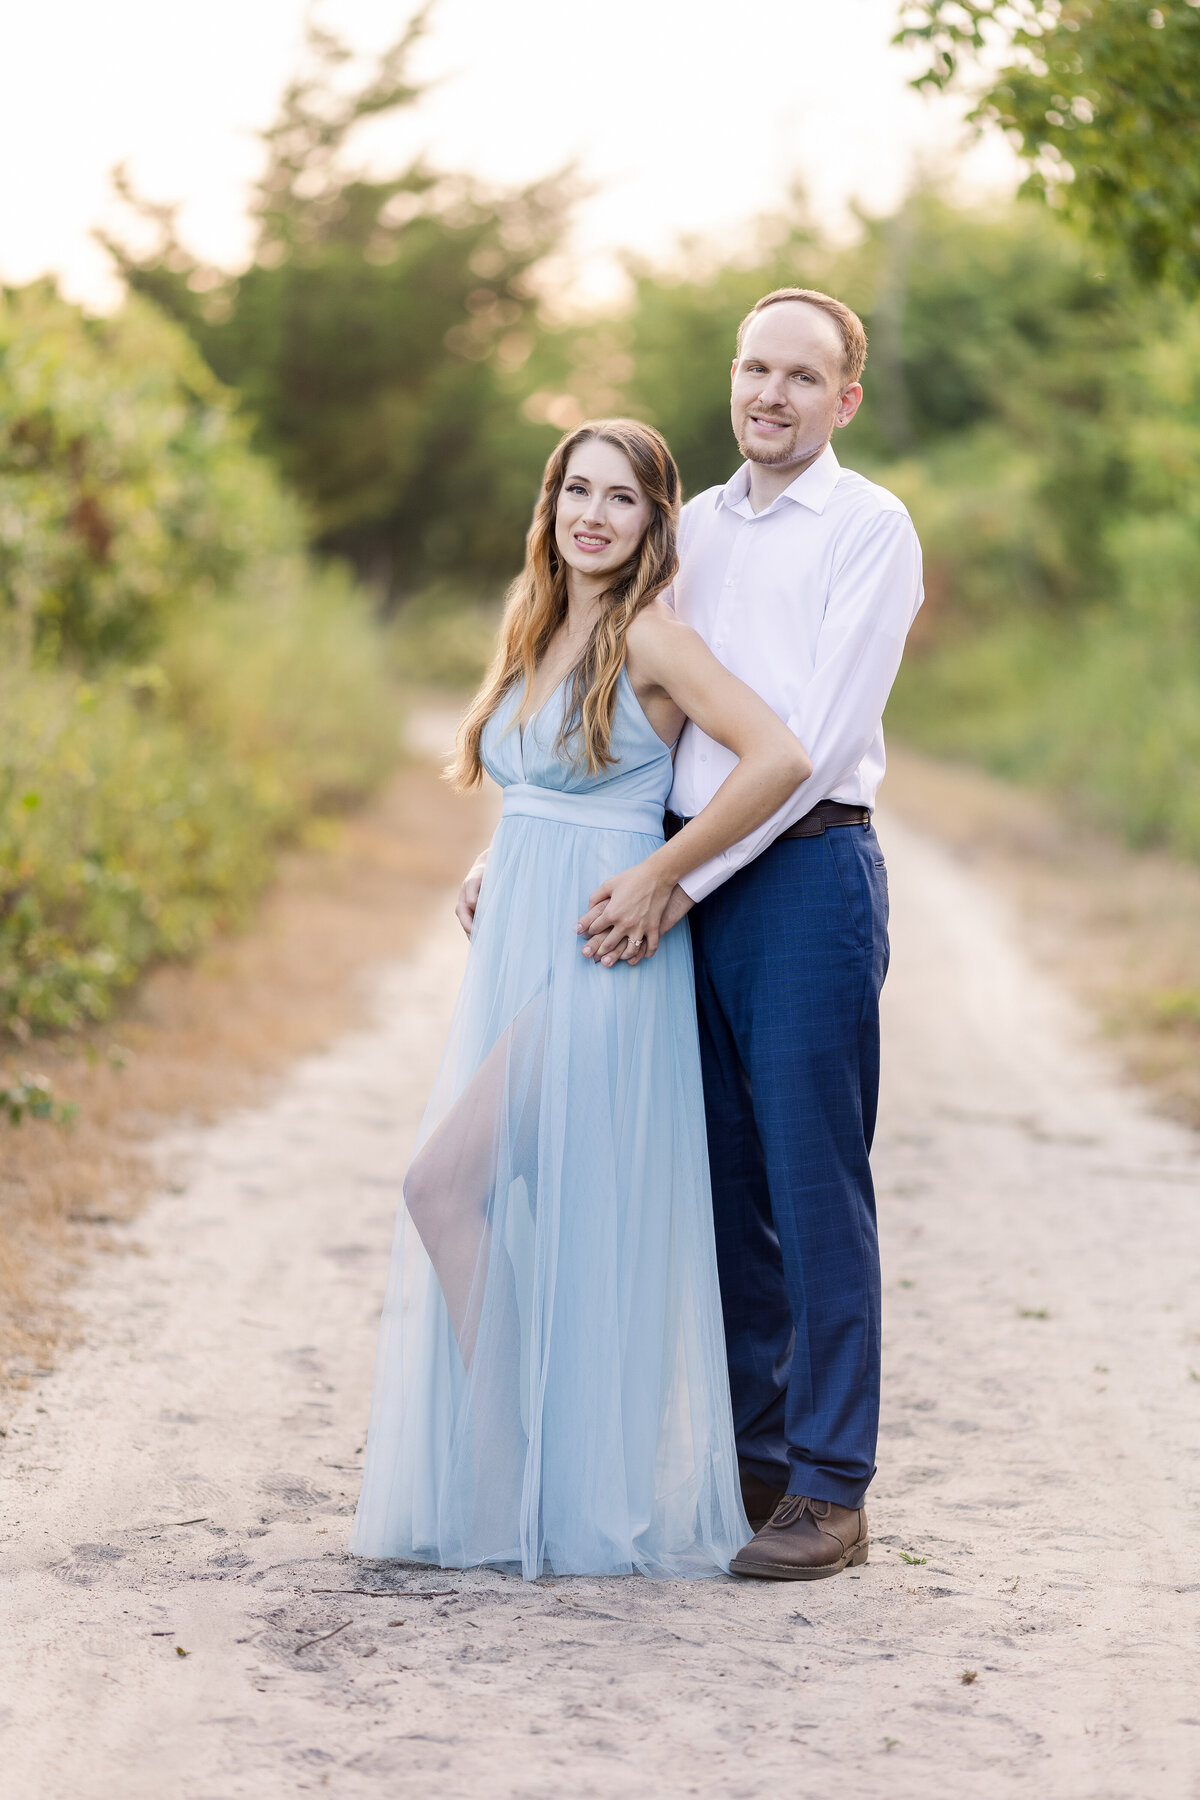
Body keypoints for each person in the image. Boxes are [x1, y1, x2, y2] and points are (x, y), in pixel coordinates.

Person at [350, 418, 810, 1580]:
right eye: (576, 490)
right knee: (491, 1200)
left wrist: (664, 873)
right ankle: (518, 1478)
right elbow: (542, 790)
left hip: (600, 965)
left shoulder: (653, 637)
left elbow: (778, 757)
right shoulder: (540, 621)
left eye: (622, 499)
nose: (593, 514)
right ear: (551, 502)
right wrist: (493, 862)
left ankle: (517, 1481)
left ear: (658, 522)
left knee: (445, 1184)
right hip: (520, 939)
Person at [575, 289, 924, 1580]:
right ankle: (761, 1460)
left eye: (801, 376)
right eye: (753, 368)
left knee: (811, 1186)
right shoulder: (692, 532)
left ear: (844, 399)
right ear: (733, 381)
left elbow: (817, 738)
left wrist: (680, 873)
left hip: (804, 877)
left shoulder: (871, 527)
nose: (769, 394)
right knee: (718, 1190)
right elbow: (629, 709)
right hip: (685, 881)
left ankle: (834, 1487)